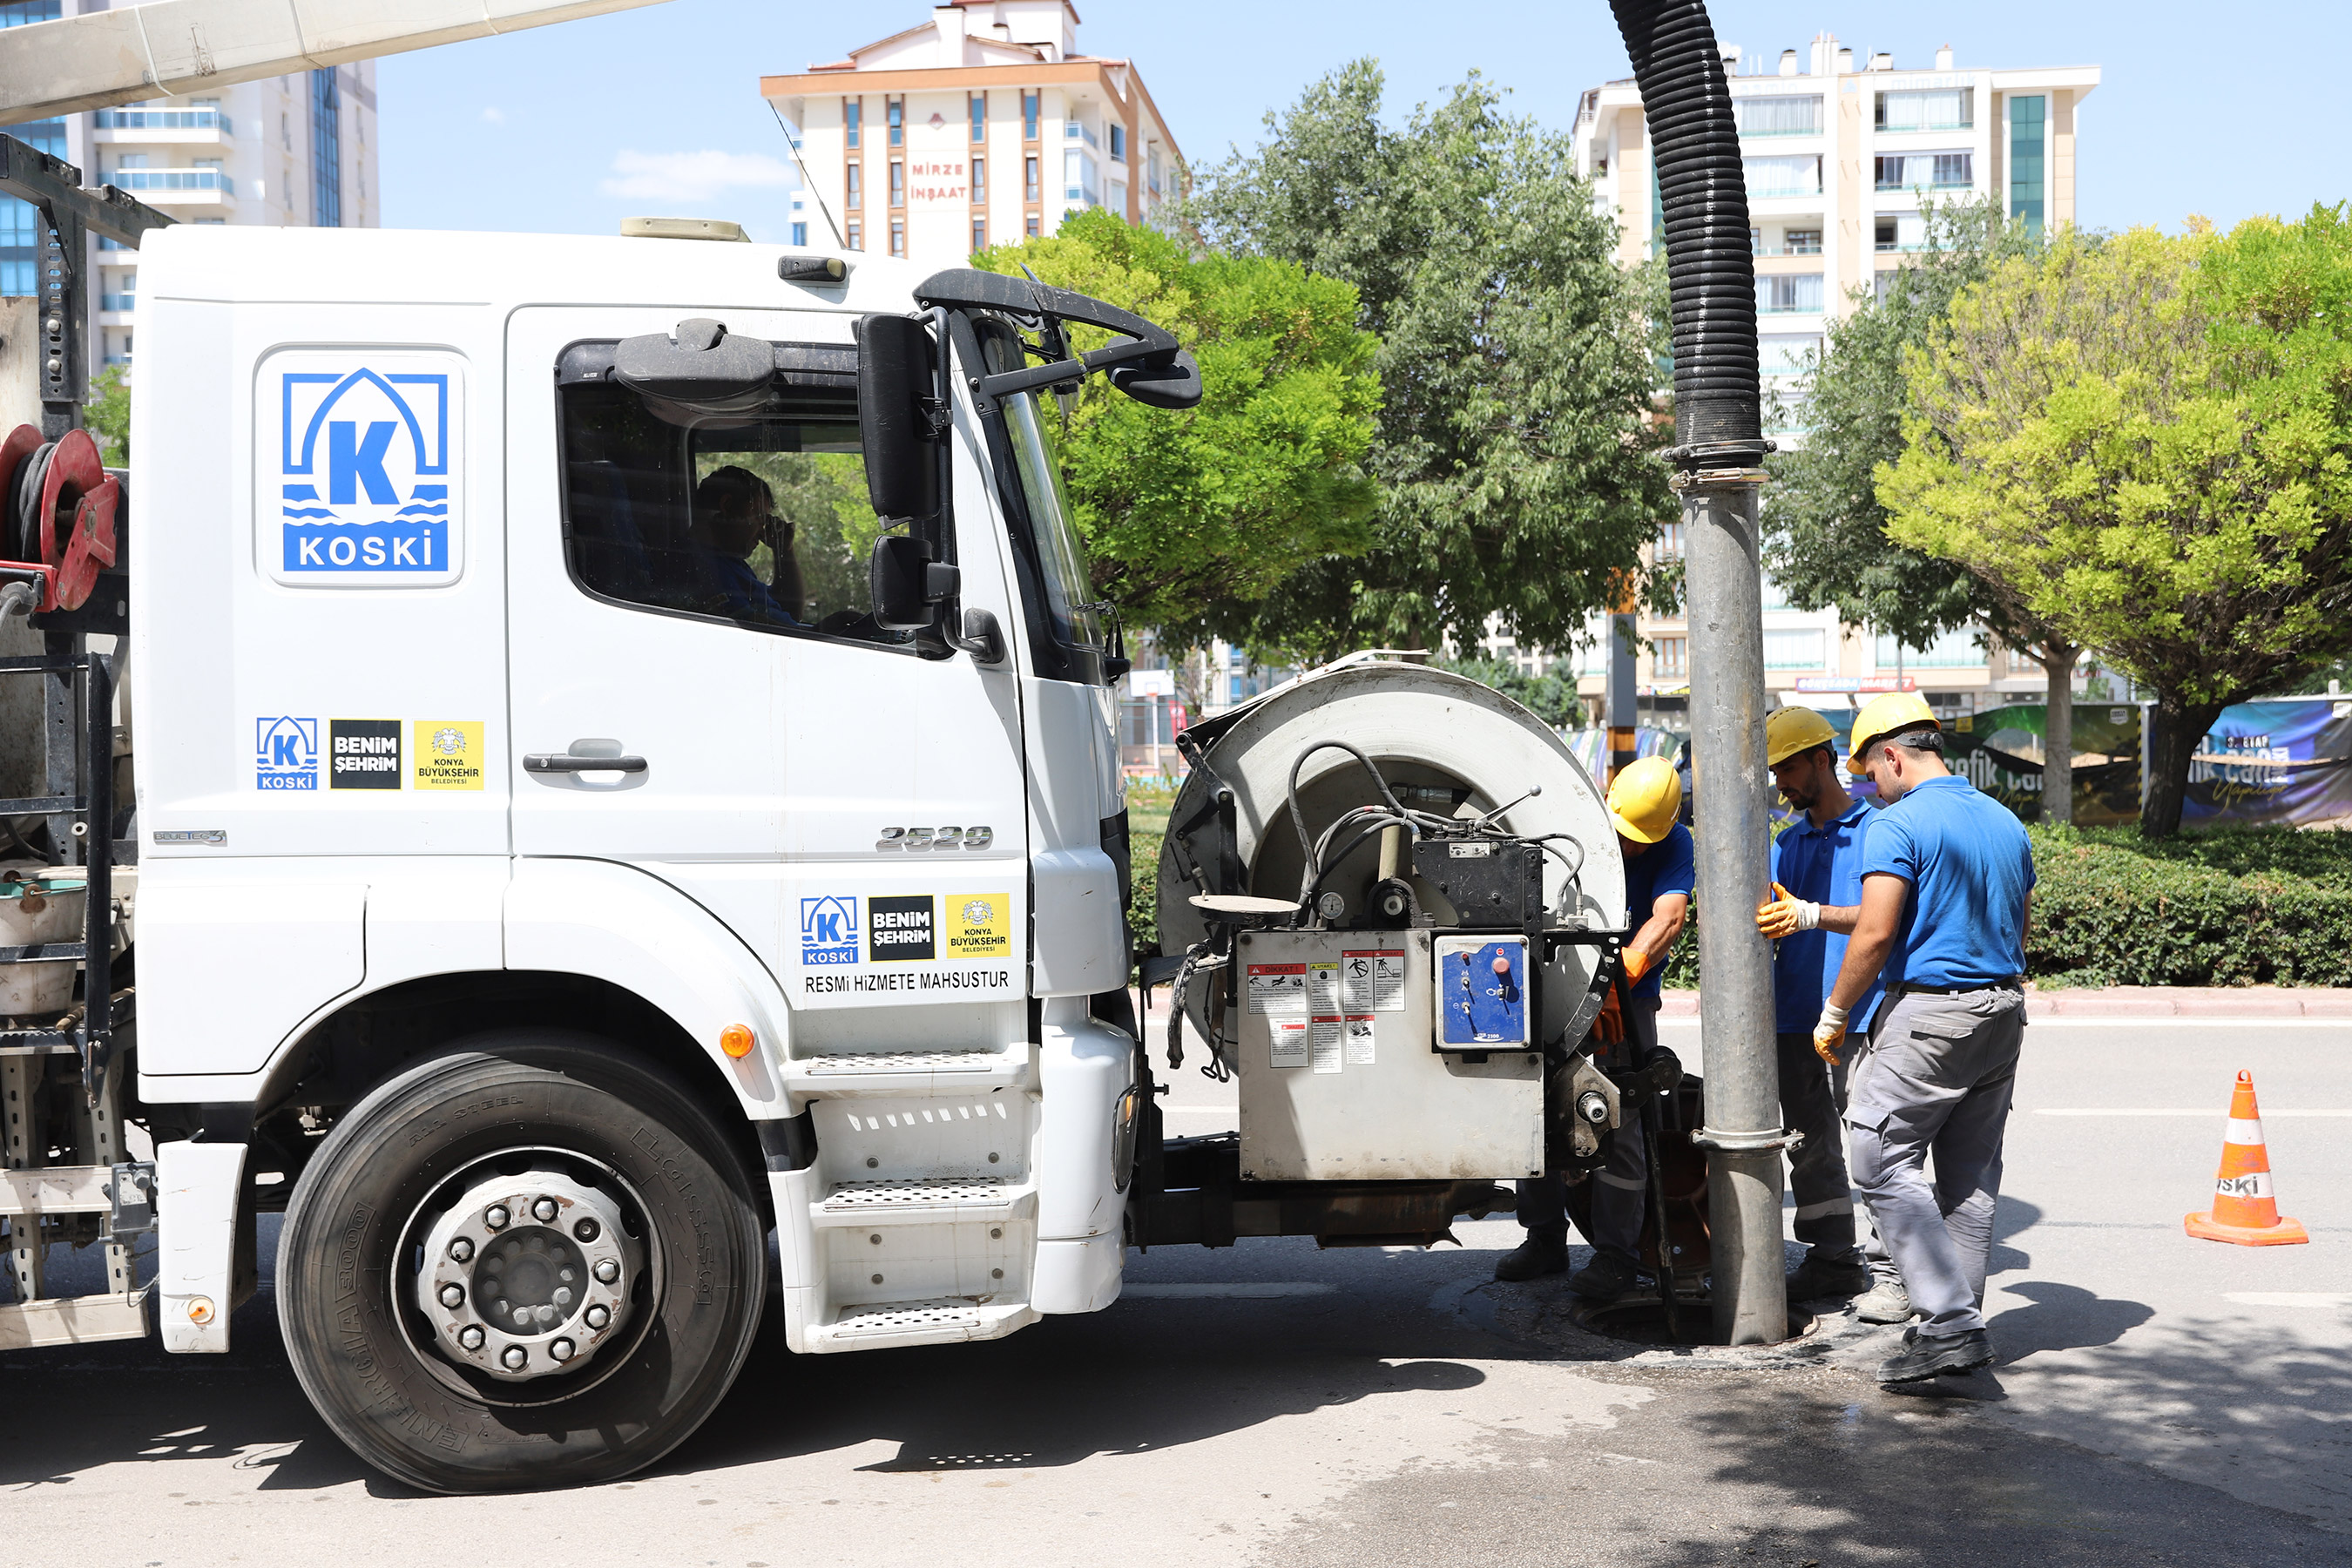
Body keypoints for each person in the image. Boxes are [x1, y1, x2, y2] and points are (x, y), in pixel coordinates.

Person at [1811, 692, 2034, 1385]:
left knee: (1875, 1156)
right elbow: (2020, 930)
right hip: (2002, 1011)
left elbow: (1876, 933)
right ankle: (1955, 1330)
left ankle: (1952, 1325)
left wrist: (1836, 1011)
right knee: (1968, 1183)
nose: (1868, 788)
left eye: (1869, 773)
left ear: (1894, 756)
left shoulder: (1898, 824)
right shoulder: (2005, 822)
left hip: (1932, 1015)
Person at [1496, 754, 1693, 1302]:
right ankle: (1544, 1238)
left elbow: (1669, 918)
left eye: (1641, 842)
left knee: (1621, 1122)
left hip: (1627, 1006)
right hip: (1559, 995)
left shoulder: (1676, 844)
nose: (1629, 848)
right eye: (1625, 835)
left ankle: (1617, 1256)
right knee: (1538, 1111)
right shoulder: (1585, 822)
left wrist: (1615, 981)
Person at [1752, 707, 1883, 1305]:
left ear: (1823, 759)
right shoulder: (1788, 843)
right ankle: (1834, 1257)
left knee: (1875, 1141)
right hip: (1792, 1016)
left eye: (1788, 768)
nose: (1782, 783)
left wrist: (1810, 914)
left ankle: (1894, 1267)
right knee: (1809, 1144)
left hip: (1856, 1014)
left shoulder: (1878, 832)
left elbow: (1884, 918)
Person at [690, 465, 805, 625]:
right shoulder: (704, 567)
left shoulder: (732, 564)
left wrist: (784, 551)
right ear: (727, 506)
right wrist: (820, 633)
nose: (762, 531)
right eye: (759, 518)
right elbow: (751, 625)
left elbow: (790, 611)